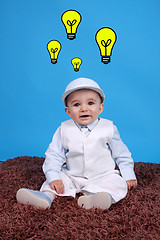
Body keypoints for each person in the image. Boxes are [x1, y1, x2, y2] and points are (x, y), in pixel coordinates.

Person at [16, 77, 137, 210]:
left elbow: (122, 154)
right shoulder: (64, 129)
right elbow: (54, 155)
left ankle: (96, 198)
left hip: (103, 175)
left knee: (116, 182)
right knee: (56, 180)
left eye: (90, 103)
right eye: (76, 105)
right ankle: (46, 196)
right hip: (73, 175)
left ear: (100, 108)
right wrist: (53, 177)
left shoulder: (108, 128)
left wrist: (128, 175)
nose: (84, 109)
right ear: (68, 111)